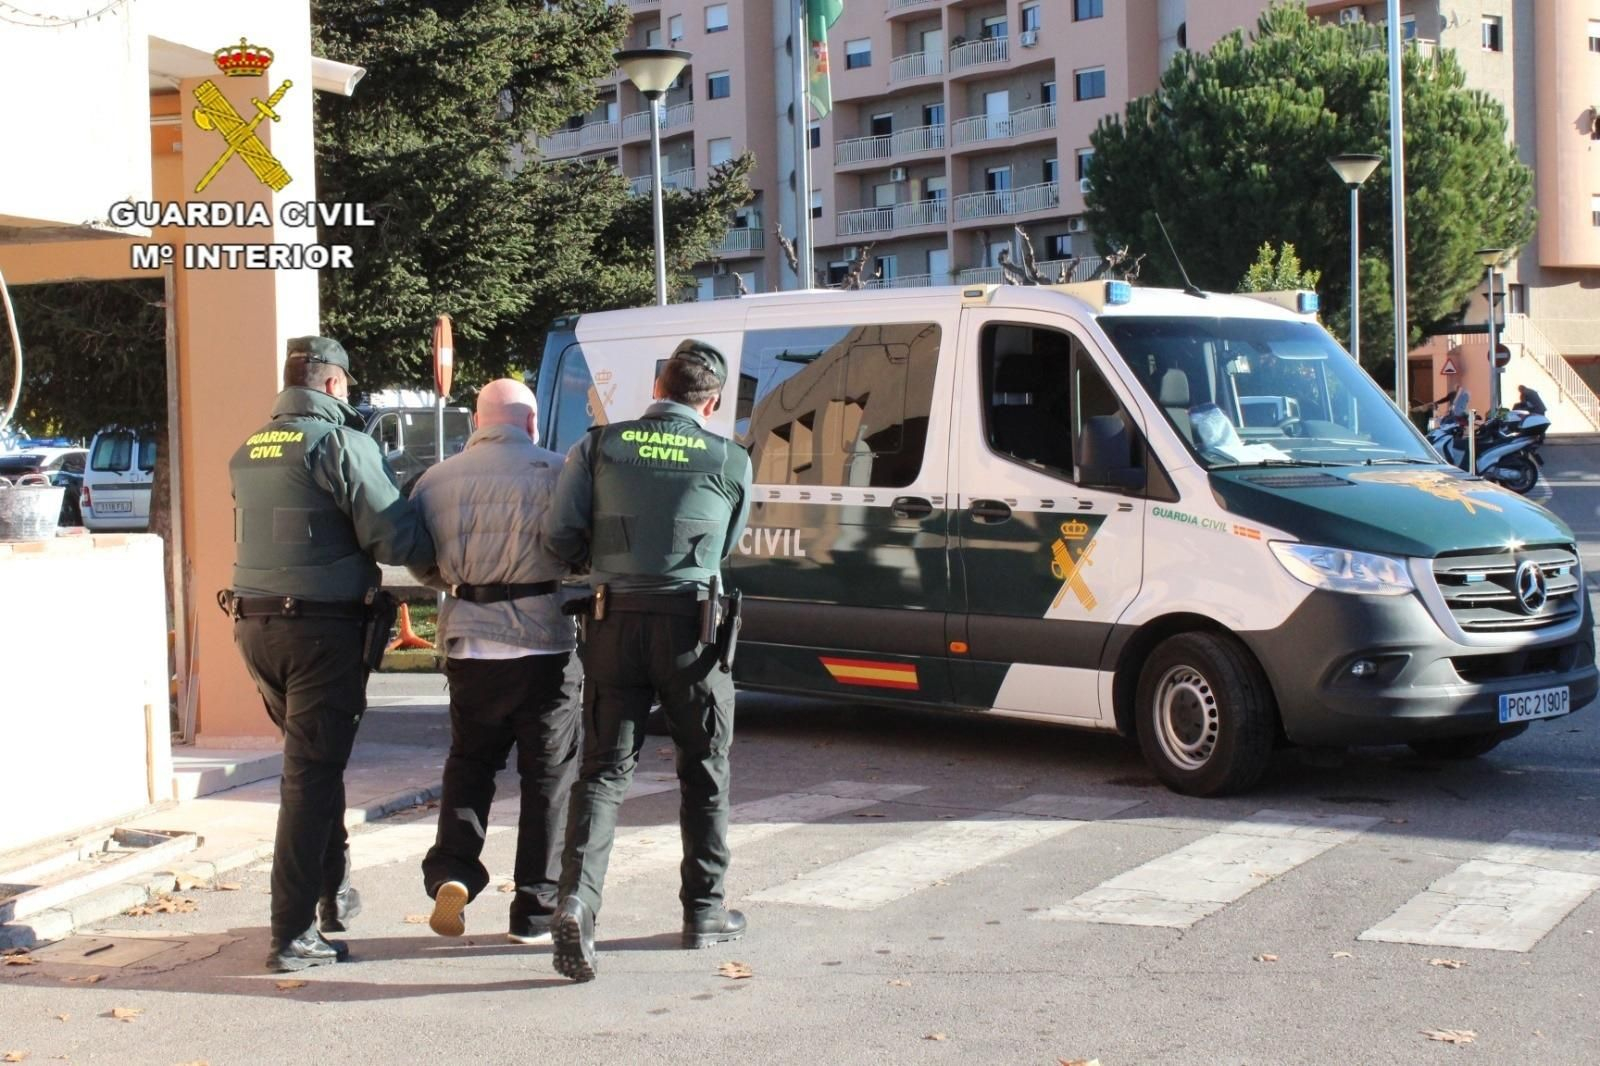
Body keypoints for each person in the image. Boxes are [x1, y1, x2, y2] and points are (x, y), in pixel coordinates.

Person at [542, 338, 753, 983]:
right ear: (712, 403)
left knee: (604, 771)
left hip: (613, 620)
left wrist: (605, 562)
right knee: (704, 767)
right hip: (692, 629)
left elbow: (559, 537)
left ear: (658, 387)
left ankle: (578, 903)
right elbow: (726, 545)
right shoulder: (729, 457)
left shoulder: (599, 446)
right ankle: (704, 911)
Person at [226, 336, 435, 973]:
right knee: (310, 776)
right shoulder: (341, 444)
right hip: (320, 630)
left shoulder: (251, 448)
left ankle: (333, 891)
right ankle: (291, 934)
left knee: (312, 764)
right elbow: (394, 539)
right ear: (335, 384)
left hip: (255, 626)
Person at [404, 379, 582, 945]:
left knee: (471, 762)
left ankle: (452, 871)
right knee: (548, 775)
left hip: (470, 640)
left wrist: (459, 583)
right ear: (530, 422)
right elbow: (579, 551)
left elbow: (420, 561)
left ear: (477, 422)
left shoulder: (434, 480)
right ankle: (535, 909)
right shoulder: (560, 472)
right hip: (543, 640)